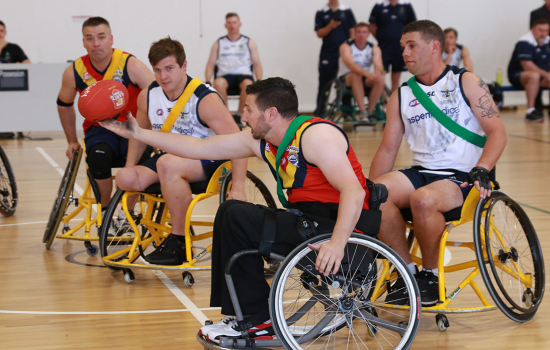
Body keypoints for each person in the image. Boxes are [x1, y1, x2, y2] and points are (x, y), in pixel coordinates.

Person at [99, 77, 378, 343]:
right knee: (231, 211)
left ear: (271, 113)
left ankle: (258, 321)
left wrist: (337, 243)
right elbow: (198, 147)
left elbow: (354, 191)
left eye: (247, 109)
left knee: (238, 217)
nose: (242, 116)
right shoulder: (264, 142)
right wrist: (137, 133)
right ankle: (244, 315)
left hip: (346, 237)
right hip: (312, 226)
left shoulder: (316, 136)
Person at [369, 20, 506, 306]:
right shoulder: (401, 95)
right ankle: (407, 275)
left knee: (423, 200)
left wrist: (483, 168)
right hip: (422, 173)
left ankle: (431, 276)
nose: (405, 53)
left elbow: (497, 133)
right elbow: (387, 149)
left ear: (434, 47)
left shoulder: (466, 81)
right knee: (376, 193)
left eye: (412, 46)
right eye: (402, 47)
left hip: (466, 176)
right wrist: (368, 195)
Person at [116, 37, 247, 265]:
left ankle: (178, 240)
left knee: (167, 164)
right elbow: (138, 135)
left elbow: (239, 142)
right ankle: (141, 227)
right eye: (157, 70)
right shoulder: (147, 96)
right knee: (125, 177)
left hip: (210, 160)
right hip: (170, 159)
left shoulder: (205, 99)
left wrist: (238, 186)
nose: (163, 76)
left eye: (169, 68)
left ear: (184, 66)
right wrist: (130, 165)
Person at [56, 17, 154, 209]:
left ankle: (128, 213)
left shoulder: (129, 64)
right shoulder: (75, 70)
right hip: (99, 129)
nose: (96, 43)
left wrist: (156, 129)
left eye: (101, 37)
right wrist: (72, 141)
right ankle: (106, 210)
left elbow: (156, 93)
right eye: (90, 38)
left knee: (137, 159)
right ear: (83, 42)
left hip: (132, 128)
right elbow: (64, 104)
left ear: (111, 39)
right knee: (98, 158)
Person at [205, 12, 262, 120]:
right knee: (218, 83)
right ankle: (226, 115)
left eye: (234, 22)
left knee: (248, 84)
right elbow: (210, 65)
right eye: (229, 23)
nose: (232, 25)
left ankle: (238, 115)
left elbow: (257, 64)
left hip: (244, 75)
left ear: (239, 24)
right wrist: (208, 81)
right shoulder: (218, 43)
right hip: (225, 76)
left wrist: (259, 80)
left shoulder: (249, 42)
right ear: (225, 25)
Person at [314, 0, 356, 117]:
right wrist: (330, 26)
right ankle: (321, 111)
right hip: (328, 53)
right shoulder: (321, 12)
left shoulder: (346, 10)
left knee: (345, 82)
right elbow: (319, 33)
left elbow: (352, 31)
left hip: (344, 54)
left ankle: (348, 112)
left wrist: (350, 48)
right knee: (325, 82)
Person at [338, 22, 385, 121]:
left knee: (380, 77)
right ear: (354, 33)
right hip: (346, 78)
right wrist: (368, 74)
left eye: (364, 32)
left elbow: (378, 64)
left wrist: (377, 72)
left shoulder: (374, 48)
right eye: (358, 32)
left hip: (365, 77)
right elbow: (351, 65)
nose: (361, 35)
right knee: (356, 74)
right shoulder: (346, 46)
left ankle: (370, 111)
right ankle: (362, 111)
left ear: (368, 34)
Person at [507, 18, 550, 122]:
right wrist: (547, 75)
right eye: (540, 30)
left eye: (546, 30)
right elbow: (527, 65)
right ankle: (530, 111)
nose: (544, 34)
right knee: (534, 75)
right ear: (532, 29)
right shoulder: (524, 42)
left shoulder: (548, 41)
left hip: (541, 76)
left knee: (537, 76)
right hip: (518, 75)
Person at [369, 0, 416, 92]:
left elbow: (413, 26)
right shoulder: (379, 6)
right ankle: (383, 99)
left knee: (396, 75)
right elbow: (372, 25)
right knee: (380, 73)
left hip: (399, 48)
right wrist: (381, 38)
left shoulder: (406, 6)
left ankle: (393, 100)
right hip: (383, 47)